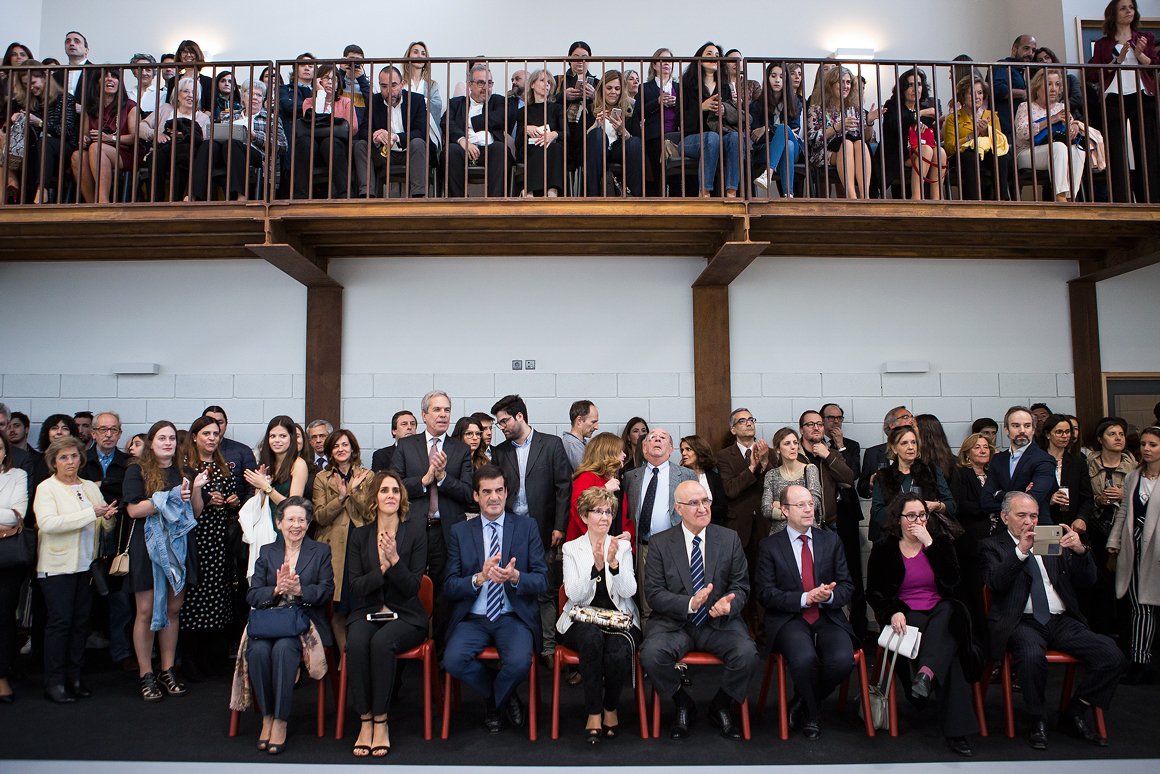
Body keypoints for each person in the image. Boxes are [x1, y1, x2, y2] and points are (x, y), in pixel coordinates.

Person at [981, 492, 1125, 750]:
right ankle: (1037, 718)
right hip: (1021, 621)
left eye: (1034, 516)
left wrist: (1080, 551)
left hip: (1060, 619)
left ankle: (1075, 710)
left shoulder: (1049, 539)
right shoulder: (993, 546)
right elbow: (996, 582)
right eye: (1021, 515)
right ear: (1004, 517)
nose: (1029, 522)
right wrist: (1021, 551)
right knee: (1031, 656)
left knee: (1111, 655)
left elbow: (1089, 580)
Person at [641, 479, 758, 739]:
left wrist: (729, 603)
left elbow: (741, 586)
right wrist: (689, 604)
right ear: (678, 509)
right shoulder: (660, 543)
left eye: (706, 501)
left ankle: (721, 705)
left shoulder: (728, 539)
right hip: (674, 624)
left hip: (717, 623)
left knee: (747, 654)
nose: (703, 508)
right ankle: (682, 703)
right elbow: (654, 594)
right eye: (694, 503)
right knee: (651, 654)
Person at [866, 493, 981, 756]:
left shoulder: (940, 542)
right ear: (898, 519)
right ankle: (957, 731)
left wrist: (930, 544)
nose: (917, 521)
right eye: (911, 516)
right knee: (950, 658)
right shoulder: (885, 547)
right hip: (908, 615)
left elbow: (953, 583)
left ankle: (925, 674)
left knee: (949, 612)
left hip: (941, 610)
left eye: (922, 515)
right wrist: (892, 611)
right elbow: (874, 591)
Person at [442, 465, 548, 733]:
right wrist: (478, 578)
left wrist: (515, 577)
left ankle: (493, 701)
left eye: (499, 490)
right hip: (474, 618)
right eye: (487, 492)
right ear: (475, 496)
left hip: (512, 616)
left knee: (520, 663)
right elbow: (449, 586)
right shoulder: (460, 532)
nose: (494, 497)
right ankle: (500, 695)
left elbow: (542, 580)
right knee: (452, 661)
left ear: (506, 492)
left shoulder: (526, 527)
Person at [756, 484, 856, 740]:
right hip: (789, 618)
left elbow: (847, 586)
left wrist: (829, 596)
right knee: (804, 659)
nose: (809, 509)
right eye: (801, 505)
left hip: (826, 615)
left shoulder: (830, 541)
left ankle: (802, 700)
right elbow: (765, 593)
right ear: (785, 510)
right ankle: (812, 715)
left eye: (811, 504)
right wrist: (804, 598)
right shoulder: (770, 546)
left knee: (843, 660)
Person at [345, 470, 428, 757]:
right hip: (367, 611)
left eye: (395, 490)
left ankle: (381, 721)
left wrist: (394, 561)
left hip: (406, 615)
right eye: (384, 490)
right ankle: (364, 719)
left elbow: (413, 587)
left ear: (401, 497)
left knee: (381, 643)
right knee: (356, 643)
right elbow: (355, 587)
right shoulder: (360, 536)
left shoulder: (415, 533)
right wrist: (381, 569)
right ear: (375, 498)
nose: (390, 495)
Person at [123, 421, 206, 702]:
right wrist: (170, 497)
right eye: (162, 438)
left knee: (173, 609)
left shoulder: (185, 472)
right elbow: (134, 510)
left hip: (179, 547)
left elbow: (196, 512)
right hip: (148, 548)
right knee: (146, 611)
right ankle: (146, 673)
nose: (168, 443)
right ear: (151, 442)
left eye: (172, 438)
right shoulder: (136, 470)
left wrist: (196, 489)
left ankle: (167, 670)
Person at [245, 496, 334, 756]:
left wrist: (299, 590)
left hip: (304, 622)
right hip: (270, 620)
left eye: (302, 520)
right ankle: (267, 717)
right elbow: (253, 595)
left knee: (284, 648)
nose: (296, 525)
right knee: (258, 651)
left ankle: (281, 720)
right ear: (279, 523)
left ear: (308, 524)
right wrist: (275, 590)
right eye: (291, 520)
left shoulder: (320, 551)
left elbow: (327, 591)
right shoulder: (267, 552)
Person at [32, 436, 117, 703]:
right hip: (57, 567)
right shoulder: (47, 488)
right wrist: (91, 514)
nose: (70, 461)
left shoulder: (89, 486)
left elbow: (102, 526)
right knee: (60, 623)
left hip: (86, 566)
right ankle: (54, 681)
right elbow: (48, 524)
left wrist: (108, 518)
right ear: (53, 461)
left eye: (74, 456)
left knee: (81, 623)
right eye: (64, 457)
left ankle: (75, 676)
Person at [490, 394, 572, 662]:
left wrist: (560, 525)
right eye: (499, 423)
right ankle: (516, 647)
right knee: (510, 587)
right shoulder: (500, 452)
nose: (501, 427)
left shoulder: (551, 444)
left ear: (520, 416)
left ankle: (547, 648)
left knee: (545, 590)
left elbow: (563, 488)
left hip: (543, 528)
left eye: (504, 421)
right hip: (509, 529)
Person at [558, 486, 640, 743]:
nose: (605, 517)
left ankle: (610, 707)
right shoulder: (571, 548)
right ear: (584, 516)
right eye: (598, 511)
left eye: (608, 512)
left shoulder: (622, 547)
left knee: (618, 650)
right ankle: (594, 711)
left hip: (619, 618)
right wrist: (595, 567)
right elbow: (574, 594)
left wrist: (614, 565)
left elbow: (629, 591)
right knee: (592, 639)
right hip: (581, 618)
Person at [391, 390, 474, 635]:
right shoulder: (406, 446)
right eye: (437, 410)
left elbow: (468, 493)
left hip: (446, 532)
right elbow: (393, 487)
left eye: (447, 410)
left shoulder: (460, 449)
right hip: (412, 529)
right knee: (409, 588)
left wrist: (444, 478)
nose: (443, 415)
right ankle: (410, 641)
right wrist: (425, 480)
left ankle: (440, 651)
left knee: (443, 595)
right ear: (424, 415)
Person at [178, 416, 239, 679]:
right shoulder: (186, 467)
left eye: (215, 433)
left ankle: (212, 658)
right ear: (194, 437)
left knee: (217, 597)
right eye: (206, 433)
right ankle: (190, 660)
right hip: (196, 540)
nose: (212, 438)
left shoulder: (223, 467)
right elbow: (180, 506)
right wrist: (204, 497)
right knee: (194, 597)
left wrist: (232, 502)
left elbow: (234, 501)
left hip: (219, 540)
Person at [1089, 0, 1160, 204]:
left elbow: (1155, 65)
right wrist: (1117, 60)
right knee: (1116, 151)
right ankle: (1121, 200)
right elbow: (1093, 74)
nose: (1129, 11)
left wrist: (1140, 55)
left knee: (1147, 149)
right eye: (1123, 8)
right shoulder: (1103, 44)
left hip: (1142, 96)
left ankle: (1152, 200)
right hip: (1114, 97)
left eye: (1131, 7)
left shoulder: (1146, 37)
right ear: (1114, 13)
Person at [311, 428, 373, 652]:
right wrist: (341, 496)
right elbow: (319, 516)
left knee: (360, 604)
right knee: (338, 606)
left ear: (353, 449)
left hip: (360, 544)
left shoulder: (367, 476)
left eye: (345, 445)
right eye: (336, 446)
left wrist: (354, 491)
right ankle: (344, 660)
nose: (340, 449)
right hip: (333, 549)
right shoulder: (321, 477)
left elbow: (370, 513)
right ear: (330, 451)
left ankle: (358, 654)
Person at [1106, 425, 1160, 684]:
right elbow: (1124, 511)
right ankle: (1140, 661)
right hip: (1137, 547)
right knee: (1140, 607)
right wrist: (1114, 542)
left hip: (1157, 548)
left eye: (1153, 444)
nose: (1146, 449)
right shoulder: (1133, 477)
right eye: (1144, 444)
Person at [626, 428, 697, 617]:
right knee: (647, 603)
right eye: (652, 438)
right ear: (644, 447)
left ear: (671, 448)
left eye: (663, 437)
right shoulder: (631, 477)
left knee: (678, 598)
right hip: (644, 547)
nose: (657, 439)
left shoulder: (686, 475)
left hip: (676, 546)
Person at [1085, 417, 1136, 635]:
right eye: (1112, 434)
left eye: (1121, 434)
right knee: (1098, 585)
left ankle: (1126, 636)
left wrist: (1125, 494)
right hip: (1095, 529)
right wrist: (1098, 499)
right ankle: (1102, 634)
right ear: (1100, 439)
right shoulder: (1087, 465)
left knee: (1124, 584)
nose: (1118, 438)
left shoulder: (1135, 467)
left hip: (1124, 530)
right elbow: (1081, 496)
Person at [674, 42, 740, 197]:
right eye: (709, 54)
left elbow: (732, 117)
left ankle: (731, 191)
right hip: (691, 139)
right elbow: (679, 120)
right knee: (711, 137)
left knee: (735, 137)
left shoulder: (724, 86)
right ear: (699, 58)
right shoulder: (686, 84)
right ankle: (704, 192)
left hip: (720, 136)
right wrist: (701, 107)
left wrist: (724, 110)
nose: (713, 57)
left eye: (717, 55)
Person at [8, 61, 79, 203]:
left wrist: (40, 123)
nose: (31, 88)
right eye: (26, 85)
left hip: (64, 147)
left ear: (45, 77)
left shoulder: (65, 99)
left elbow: (66, 131)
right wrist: (16, 120)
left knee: (44, 143)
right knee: (31, 148)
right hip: (37, 148)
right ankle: (19, 191)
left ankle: (41, 191)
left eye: (33, 83)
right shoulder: (27, 101)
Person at [294, 63, 367, 198]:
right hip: (313, 150)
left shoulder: (345, 102)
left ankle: (344, 194)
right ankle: (300, 196)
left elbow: (352, 128)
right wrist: (321, 94)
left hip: (337, 149)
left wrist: (325, 128)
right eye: (326, 78)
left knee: (330, 142)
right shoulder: (308, 102)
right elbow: (310, 123)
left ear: (338, 84)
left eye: (334, 79)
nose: (329, 82)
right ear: (318, 81)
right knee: (304, 142)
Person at [1014, 69, 1087, 202]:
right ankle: (1060, 197)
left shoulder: (1061, 107)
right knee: (1059, 147)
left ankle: (1071, 197)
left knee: (1078, 150)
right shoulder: (1025, 106)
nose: (1054, 89)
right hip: (1028, 152)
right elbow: (1021, 132)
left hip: (1056, 151)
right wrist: (1052, 119)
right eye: (1048, 84)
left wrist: (1074, 126)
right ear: (1037, 87)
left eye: (1057, 84)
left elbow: (1069, 127)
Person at [871, 426, 956, 540]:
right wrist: (904, 512)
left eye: (913, 442)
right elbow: (877, 513)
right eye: (904, 443)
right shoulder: (884, 475)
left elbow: (951, 506)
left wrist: (937, 506)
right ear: (894, 448)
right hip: (894, 537)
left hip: (929, 535)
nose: (911, 447)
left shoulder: (931, 470)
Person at [717, 408, 771, 583]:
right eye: (742, 421)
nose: (748, 423)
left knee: (765, 576)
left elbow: (774, 486)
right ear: (733, 430)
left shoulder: (769, 452)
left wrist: (764, 463)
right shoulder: (724, 456)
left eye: (751, 419)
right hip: (739, 525)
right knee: (740, 578)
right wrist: (752, 467)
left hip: (765, 523)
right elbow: (731, 490)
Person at [70, 67, 139, 203]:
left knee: (96, 147)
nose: (110, 79)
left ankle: (103, 201)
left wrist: (110, 138)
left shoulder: (130, 106)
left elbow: (134, 138)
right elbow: (84, 135)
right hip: (95, 150)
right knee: (77, 156)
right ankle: (91, 204)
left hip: (124, 151)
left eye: (114, 76)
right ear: (97, 82)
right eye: (105, 76)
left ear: (119, 82)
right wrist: (84, 139)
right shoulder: (90, 107)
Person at [445, 63, 514, 198]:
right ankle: (458, 201)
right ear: (470, 85)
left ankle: (494, 202)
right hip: (463, 149)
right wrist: (463, 141)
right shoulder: (456, 103)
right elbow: (446, 122)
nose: (486, 88)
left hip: (489, 149)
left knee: (500, 149)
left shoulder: (498, 101)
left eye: (489, 83)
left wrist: (469, 122)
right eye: (481, 83)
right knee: (451, 150)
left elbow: (501, 118)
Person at [807, 66, 876, 199]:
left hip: (853, 149)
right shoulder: (817, 109)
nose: (846, 86)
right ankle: (852, 197)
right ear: (830, 85)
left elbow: (868, 139)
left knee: (860, 144)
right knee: (847, 145)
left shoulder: (856, 109)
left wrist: (869, 122)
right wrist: (838, 126)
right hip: (825, 151)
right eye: (841, 82)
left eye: (848, 82)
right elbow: (813, 138)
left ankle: (865, 197)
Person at [878, 68, 947, 200]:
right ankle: (917, 198)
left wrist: (939, 123)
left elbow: (933, 137)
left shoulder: (925, 107)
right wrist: (920, 114)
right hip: (898, 153)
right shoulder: (892, 105)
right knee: (926, 150)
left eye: (919, 84)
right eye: (910, 85)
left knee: (940, 152)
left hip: (919, 151)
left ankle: (937, 198)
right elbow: (895, 123)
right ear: (903, 89)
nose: (916, 89)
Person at [139, 77, 209, 201]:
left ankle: (176, 202)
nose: (190, 95)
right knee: (155, 157)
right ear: (177, 95)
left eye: (194, 92)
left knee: (182, 157)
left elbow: (204, 141)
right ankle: (155, 202)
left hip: (186, 154)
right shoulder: (166, 109)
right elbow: (141, 126)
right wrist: (156, 134)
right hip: (163, 149)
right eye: (186, 91)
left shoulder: (202, 118)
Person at [943, 75, 1012, 200]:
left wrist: (986, 132)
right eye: (971, 93)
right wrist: (971, 136)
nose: (977, 97)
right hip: (963, 155)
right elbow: (950, 148)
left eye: (980, 93)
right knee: (971, 156)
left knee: (1000, 155)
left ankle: (1002, 200)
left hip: (987, 153)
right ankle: (973, 202)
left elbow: (999, 142)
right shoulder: (953, 118)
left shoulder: (992, 116)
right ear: (963, 96)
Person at [983, 406, 1058, 520]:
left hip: (1034, 527)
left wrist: (999, 494)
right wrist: (1022, 494)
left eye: (1027, 426)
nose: (1022, 430)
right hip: (1004, 527)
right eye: (1016, 426)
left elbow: (1031, 501)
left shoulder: (1044, 460)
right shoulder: (998, 459)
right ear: (1006, 430)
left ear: (1033, 429)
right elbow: (986, 501)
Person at [369, 65, 428, 199]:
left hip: (410, 152)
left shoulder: (416, 100)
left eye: (394, 85)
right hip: (384, 154)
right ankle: (367, 198)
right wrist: (376, 135)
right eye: (384, 86)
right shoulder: (374, 101)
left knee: (418, 143)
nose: (389, 91)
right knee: (360, 145)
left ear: (402, 84)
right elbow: (363, 130)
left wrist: (396, 137)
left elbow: (421, 132)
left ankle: (419, 197)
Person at [582, 69, 644, 197]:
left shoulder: (629, 111)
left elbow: (637, 140)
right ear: (602, 90)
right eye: (609, 88)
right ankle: (592, 196)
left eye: (617, 88)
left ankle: (633, 196)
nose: (613, 92)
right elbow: (579, 141)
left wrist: (622, 131)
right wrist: (595, 126)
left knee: (635, 142)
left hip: (619, 150)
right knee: (597, 135)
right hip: (596, 151)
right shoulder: (590, 109)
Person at [0, 434, 28, 702]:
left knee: (4, 615)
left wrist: (7, 516)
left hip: (6, 558)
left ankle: (2, 674)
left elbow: (16, 515)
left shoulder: (18, 475)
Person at [631, 48, 679, 196]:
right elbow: (638, 113)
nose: (666, 64)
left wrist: (677, 104)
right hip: (654, 137)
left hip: (676, 136)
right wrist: (657, 102)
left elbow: (688, 111)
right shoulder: (645, 88)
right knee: (658, 175)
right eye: (662, 60)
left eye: (669, 61)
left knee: (677, 176)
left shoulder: (679, 87)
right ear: (654, 65)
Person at [750, 61, 802, 197]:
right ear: (767, 78)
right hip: (765, 149)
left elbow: (795, 130)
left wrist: (767, 129)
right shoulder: (756, 105)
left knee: (784, 131)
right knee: (788, 144)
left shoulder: (795, 103)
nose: (777, 80)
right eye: (773, 76)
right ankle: (788, 195)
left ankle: (768, 173)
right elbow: (755, 135)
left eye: (781, 76)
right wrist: (781, 131)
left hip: (795, 150)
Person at [245, 416, 309, 526]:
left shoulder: (299, 464)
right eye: (272, 436)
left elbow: (293, 506)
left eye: (283, 436)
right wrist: (261, 487)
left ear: (292, 438)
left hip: (286, 526)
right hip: (265, 525)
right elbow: (258, 506)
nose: (277, 440)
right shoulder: (266, 463)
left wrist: (266, 487)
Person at [568, 432, 632, 541]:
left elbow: (625, 516)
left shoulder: (616, 480)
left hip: (613, 543)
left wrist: (628, 532)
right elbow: (579, 510)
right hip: (588, 545)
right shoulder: (585, 477)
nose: (624, 455)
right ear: (608, 453)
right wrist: (605, 489)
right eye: (620, 451)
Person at [1037, 414, 1095, 532]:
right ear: (1048, 434)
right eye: (1059, 432)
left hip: (1071, 525)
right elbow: (1026, 495)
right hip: (1044, 524)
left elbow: (1087, 498)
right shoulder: (1036, 461)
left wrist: (1082, 518)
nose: (1064, 436)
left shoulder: (1078, 462)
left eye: (1067, 432)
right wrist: (1049, 500)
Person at [798, 411, 856, 528]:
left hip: (828, 524)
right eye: (810, 424)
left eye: (820, 424)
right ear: (801, 430)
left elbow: (849, 479)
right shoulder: (794, 455)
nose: (816, 428)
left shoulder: (833, 454)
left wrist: (827, 456)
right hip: (800, 523)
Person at [513, 69, 564, 198]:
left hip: (552, 150)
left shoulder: (557, 108)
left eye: (549, 83)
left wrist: (554, 134)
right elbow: (518, 143)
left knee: (555, 147)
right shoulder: (523, 111)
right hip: (530, 149)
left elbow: (566, 133)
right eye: (542, 81)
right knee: (537, 147)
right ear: (532, 84)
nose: (546, 84)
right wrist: (525, 129)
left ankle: (551, 190)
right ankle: (530, 190)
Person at [762, 427, 822, 534]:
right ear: (778, 449)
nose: (793, 447)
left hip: (806, 532)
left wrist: (780, 506)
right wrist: (797, 508)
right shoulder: (771, 475)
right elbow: (766, 509)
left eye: (795, 443)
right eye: (787, 443)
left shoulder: (809, 469)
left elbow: (814, 503)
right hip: (780, 534)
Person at [554, 42, 599, 175]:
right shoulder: (558, 80)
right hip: (563, 125)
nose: (580, 61)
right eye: (576, 57)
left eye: (584, 57)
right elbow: (547, 102)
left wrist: (594, 96)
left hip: (587, 126)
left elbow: (605, 105)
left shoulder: (598, 83)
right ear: (569, 58)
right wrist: (563, 96)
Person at [201, 405, 256, 502]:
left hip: (237, 510)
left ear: (226, 424)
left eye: (220, 422)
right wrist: (205, 500)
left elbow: (252, 487)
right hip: (200, 510)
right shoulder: (191, 453)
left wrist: (242, 507)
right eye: (210, 421)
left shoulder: (242, 451)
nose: (215, 426)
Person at [991, 34, 1038, 141]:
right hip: (1004, 129)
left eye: (1033, 50)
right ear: (1014, 50)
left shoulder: (1023, 71)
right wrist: (1024, 93)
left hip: (1019, 129)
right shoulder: (1003, 65)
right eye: (1026, 48)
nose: (1030, 53)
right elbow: (997, 88)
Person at [401, 41, 443, 157]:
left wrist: (414, 102)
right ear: (408, 56)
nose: (419, 56)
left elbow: (436, 104)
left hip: (426, 129)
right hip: (404, 128)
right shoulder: (400, 82)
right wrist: (422, 101)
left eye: (423, 53)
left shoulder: (431, 85)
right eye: (415, 52)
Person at [679, 434, 727, 525]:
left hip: (711, 526)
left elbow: (722, 508)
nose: (683, 453)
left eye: (688, 449)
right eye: (682, 450)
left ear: (699, 451)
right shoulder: (679, 477)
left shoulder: (714, 478)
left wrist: (701, 510)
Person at [562, 400, 599, 470]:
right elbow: (587, 473)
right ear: (579, 420)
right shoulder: (573, 444)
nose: (596, 427)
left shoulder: (577, 443)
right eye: (593, 422)